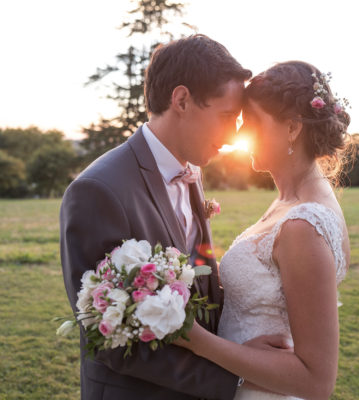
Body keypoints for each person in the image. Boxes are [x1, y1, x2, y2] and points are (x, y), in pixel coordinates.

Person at [60, 34, 287, 400]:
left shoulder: (191, 170)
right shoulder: (98, 191)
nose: (233, 135)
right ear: (181, 100)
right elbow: (108, 338)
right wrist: (235, 381)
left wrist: (242, 351)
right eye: (227, 116)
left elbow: (198, 288)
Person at [175, 61, 352, 399]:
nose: (239, 135)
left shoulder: (303, 224)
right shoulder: (290, 201)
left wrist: (198, 342)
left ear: (292, 128)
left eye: (251, 122)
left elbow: (316, 382)